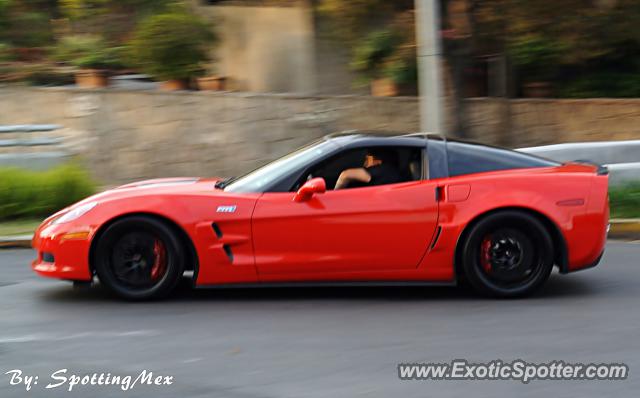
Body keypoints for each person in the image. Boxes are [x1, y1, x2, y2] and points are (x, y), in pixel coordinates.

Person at [334, 148, 402, 190]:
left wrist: (334, 196)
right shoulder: (392, 171)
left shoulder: (382, 171)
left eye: (367, 159)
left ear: (378, 161)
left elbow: (345, 175)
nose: (365, 163)